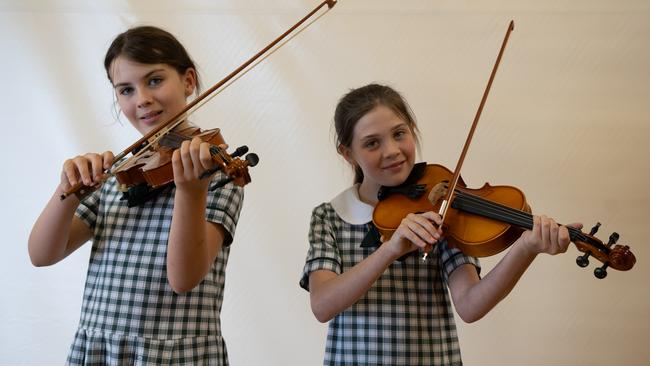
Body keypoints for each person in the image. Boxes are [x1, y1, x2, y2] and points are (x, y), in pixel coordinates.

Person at [300, 83, 581, 365]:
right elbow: (323, 305)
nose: (392, 151)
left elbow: (471, 304)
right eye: (372, 143)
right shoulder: (330, 216)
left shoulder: (440, 204)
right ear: (348, 153)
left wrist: (525, 248)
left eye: (399, 134)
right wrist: (389, 250)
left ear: (412, 129)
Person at [28, 26, 244, 365]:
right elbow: (41, 254)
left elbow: (183, 278)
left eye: (154, 80)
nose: (141, 98)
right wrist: (67, 191)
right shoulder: (120, 173)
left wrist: (189, 192)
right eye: (125, 90)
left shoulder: (214, 171)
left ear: (188, 81)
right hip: (102, 350)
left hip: (174, 353)